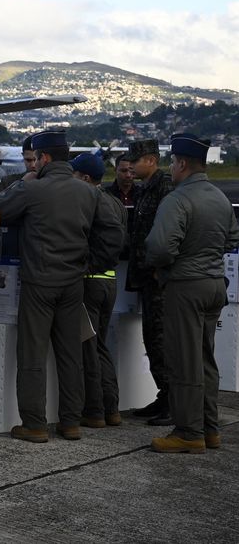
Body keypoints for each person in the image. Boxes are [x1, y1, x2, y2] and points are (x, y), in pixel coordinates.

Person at [0, 130, 101, 443]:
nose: (34, 163)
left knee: (32, 354)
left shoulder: (33, 189)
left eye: (36, 158)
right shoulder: (89, 193)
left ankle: (35, 424)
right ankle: (70, 422)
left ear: (45, 158)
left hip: (39, 281)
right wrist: (89, 264)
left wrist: (21, 184)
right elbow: (107, 232)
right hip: (73, 282)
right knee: (70, 355)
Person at [145, 133, 239, 453]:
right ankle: (209, 428)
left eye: (172, 162)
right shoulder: (219, 197)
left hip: (186, 285)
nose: (170, 168)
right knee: (205, 360)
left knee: (184, 362)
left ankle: (188, 432)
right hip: (214, 285)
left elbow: (159, 247)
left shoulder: (178, 199)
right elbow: (231, 238)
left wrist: (165, 267)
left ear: (182, 163)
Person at [70, 153, 127, 428]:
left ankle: (94, 411)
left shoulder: (87, 200)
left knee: (88, 348)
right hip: (110, 282)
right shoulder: (115, 202)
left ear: (84, 178)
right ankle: (112, 408)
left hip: (90, 281)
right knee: (102, 346)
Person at [124, 139, 174, 426]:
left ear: (152, 160)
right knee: (151, 340)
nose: (130, 165)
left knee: (161, 339)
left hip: (159, 279)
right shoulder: (145, 189)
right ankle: (164, 394)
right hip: (145, 276)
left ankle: (172, 400)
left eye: (136, 159)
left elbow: (168, 232)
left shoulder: (165, 187)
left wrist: (159, 268)